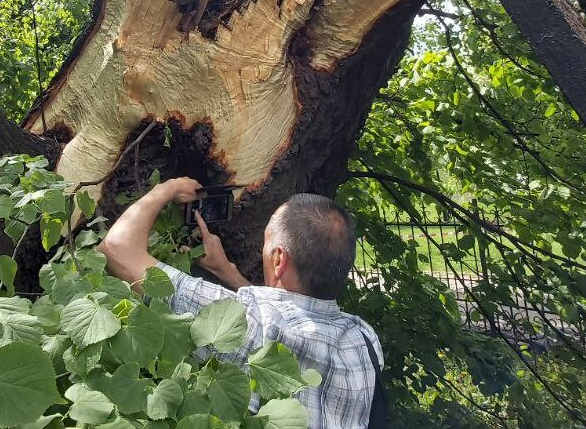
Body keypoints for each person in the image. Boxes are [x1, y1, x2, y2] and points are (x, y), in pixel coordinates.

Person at [98, 177, 383, 429]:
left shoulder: (244, 325)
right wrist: (226, 271)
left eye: (267, 246)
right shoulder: (364, 340)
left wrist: (169, 188)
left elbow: (117, 250)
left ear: (279, 259)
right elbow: (288, 322)